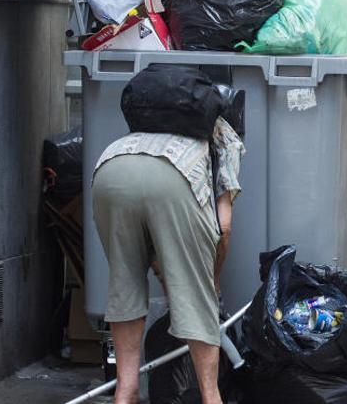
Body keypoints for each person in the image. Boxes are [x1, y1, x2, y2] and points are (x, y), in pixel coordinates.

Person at [92, 116, 245, 404]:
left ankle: (126, 392)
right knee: (197, 300)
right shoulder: (227, 138)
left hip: (110, 170)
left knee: (125, 286)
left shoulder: (148, 124)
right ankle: (211, 397)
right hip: (172, 176)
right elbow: (224, 228)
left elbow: (153, 244)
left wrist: (168, 273)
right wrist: (210, 281)